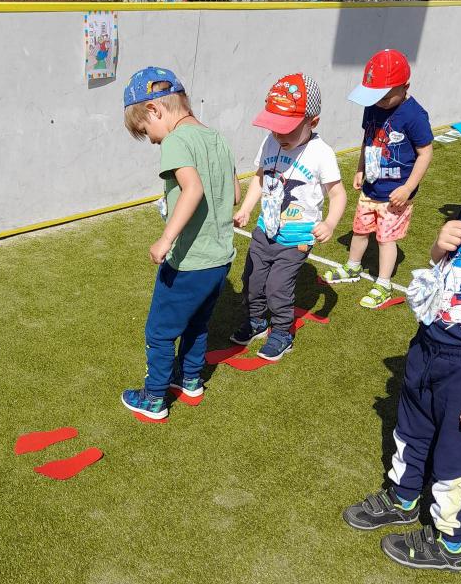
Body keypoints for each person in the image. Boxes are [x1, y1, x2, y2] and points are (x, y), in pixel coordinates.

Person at [343, 80, 461, 571]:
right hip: (431, 344)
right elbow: (441, 266)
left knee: (457, 458)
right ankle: (402, 496)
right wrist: (439, 245)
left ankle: (450, 543)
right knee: (411, 429)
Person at [120, 67, 239, 421]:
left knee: (159, 331)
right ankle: (190, 380)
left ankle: (154, 397)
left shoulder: (175, 141)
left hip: (188, 261)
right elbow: (233, 194)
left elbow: (193, 188)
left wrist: (165, 238)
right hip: (220, 260)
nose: (152, 141)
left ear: (154, 109)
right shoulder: (217, 138)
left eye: (146, 131)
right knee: (196, 323)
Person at [231, 73, 346, 360]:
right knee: (252, 281)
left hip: (297, 237)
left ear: (313, 122)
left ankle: (282, 332)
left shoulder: (321, 153)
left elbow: (338, 194)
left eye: (287, 129)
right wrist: (246, 208)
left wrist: (330, 223)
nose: (279, 135)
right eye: (274, 128)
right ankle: (257, 321)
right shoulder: (270, 143)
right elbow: (259, 178)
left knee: (277, 288)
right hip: (264, 229)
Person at [323, 49, 433, 308]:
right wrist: (360, 168)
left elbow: (425, 153)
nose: (379, 102)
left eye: (384, 96)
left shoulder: (414, 115)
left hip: (396, 194)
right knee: (360, 230)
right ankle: (353, 266)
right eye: (374, 96)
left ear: (405, 87)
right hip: (370, 187)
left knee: (386, 238)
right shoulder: (372, 107)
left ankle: (383, 283)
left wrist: (408, 188)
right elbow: (368, 138)